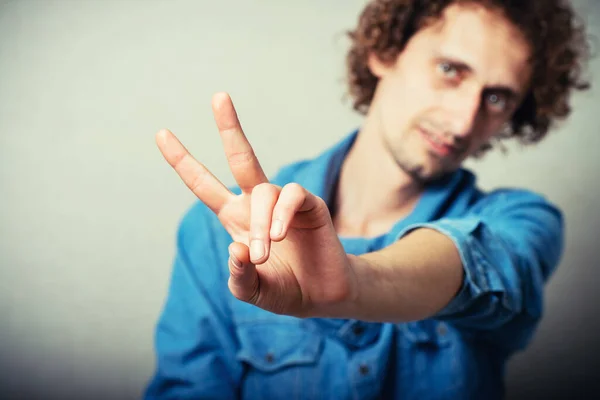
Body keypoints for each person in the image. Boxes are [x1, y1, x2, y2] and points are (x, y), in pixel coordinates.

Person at [144, 0, 590, 398]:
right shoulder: (224, 230)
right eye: (451, 70)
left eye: (496, 98)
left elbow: (469, 258)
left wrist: (354, 283)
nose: (462, 121)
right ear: (385, 51)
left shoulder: (523, 221)